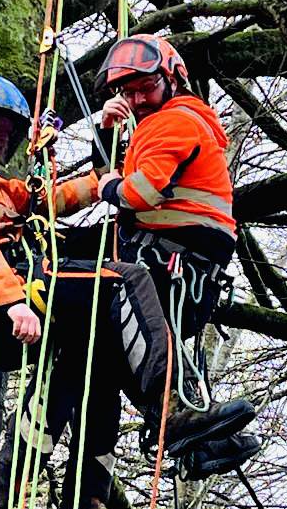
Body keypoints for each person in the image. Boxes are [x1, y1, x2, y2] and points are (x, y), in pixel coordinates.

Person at [0, 72, 255, 509]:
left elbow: (36, 202)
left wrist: (102, 181)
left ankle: (29, 487)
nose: (3, 139)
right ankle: (171, 412)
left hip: (5, 285)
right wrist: (11, 302)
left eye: (10, 133)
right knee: (123, 283)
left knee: (91, 357)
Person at [93, 34, 260, 478]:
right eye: (128, 92)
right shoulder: (170, 124)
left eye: (145, 88)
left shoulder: (171, 122)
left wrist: (107, 185)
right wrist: (107, 136)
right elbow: (128, 179)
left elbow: (138, 193)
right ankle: (204, 442)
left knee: (103, 294)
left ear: (172, 79)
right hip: (186, 269)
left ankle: (177, 420)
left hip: (170, 261)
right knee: (125, 351)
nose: (137, 99)